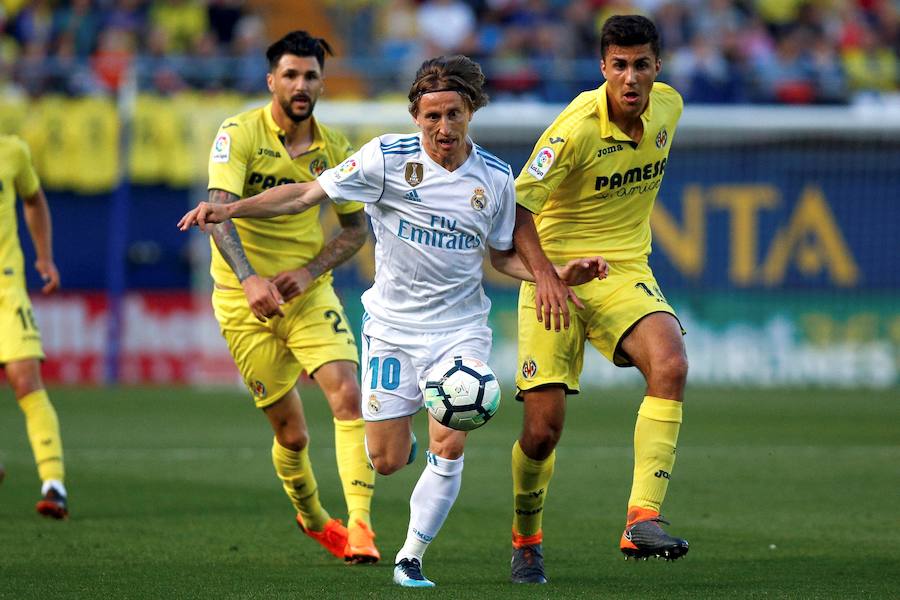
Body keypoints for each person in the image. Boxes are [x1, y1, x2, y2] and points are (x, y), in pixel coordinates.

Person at [179, 54, 607, 587]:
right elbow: (304, 196)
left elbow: (501, 258)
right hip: (391, 329)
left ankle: (410, 557)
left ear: (470, 111)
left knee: (449, 442)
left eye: (453, 114)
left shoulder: (495, 180)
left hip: (459, 329)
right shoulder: (383, 159)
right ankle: (415, 443)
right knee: (384, 459)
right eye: (432, 117)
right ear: (415, 116)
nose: (443, 127)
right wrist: (232, 209)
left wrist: (557, 273)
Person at [507, 15, 690, 584]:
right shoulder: (574, 129)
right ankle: (527, 538)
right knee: (543, 432)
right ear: (603, 67)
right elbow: (517, 209)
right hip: (555, 274)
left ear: (657, 68)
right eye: (619, 66)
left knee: (672, 362)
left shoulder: (670, 108)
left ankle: (641, 518)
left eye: (640, 65)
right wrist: (548, 276)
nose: (630, 78)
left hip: (624, 269)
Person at [201, 30, 379, 563]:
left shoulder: (335, 149)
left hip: (306, 294)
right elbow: (217, 210)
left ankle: (362, 527)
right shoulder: (238, 133)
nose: (302, 85)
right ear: (271, 80)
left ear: (322, 82)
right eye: (291, 75)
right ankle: (312, 516)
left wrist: (309, 269)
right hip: (241, 299)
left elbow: (355, 230)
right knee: (293, 434)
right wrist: (249, 278)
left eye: (311, 76)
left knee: (347, 392)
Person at [0, 134, 67, 519]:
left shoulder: (11, 151)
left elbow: (34, 198)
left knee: (26, 381)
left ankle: (54, 486)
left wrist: (44, 257)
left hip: (6, 289)